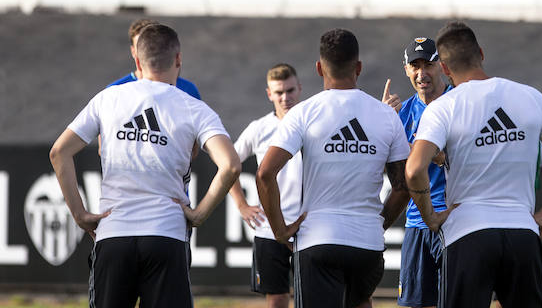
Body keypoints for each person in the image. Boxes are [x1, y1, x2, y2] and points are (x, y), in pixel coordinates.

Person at [49, 24, 241, 308]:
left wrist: (79, 214)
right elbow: (231, 166)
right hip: (166, 234)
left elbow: (59, 152)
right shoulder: (194, 107)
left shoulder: (109, 98)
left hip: (113, 233)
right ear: (178, 59)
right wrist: (199, 214)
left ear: (137, 62)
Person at [406, 21, 542, 308]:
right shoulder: (530, 97)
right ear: (481, 53)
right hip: (522, 235)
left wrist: (432, 218)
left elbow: (414, 171)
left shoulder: (443, 108)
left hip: (467, 236)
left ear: (446, 69)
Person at [256, 28, 411, 308]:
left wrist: (279, 230)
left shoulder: (303, 112)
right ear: (359, 67)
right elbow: (404, 185)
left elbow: (265, 173)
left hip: (318, 240)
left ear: (318, 68)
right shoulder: (386, 115)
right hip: (367, 242)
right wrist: (379, 223)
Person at [228, 64, 303, 308]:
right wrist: (241, 205)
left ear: (299, 88)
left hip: (308, 226)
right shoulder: (259, 128)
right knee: (277, 298)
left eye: (290, 90)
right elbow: (228, 165)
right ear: (269, 94)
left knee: (315, 296)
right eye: (279, 92)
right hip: (269, 229)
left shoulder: (311, 122)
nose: (285, 97)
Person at [395, 37, 451, 308]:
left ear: (440, 65)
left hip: (452, 220)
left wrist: (435, 154)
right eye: (414, 66)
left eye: (428, 64)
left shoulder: (459, 103)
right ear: (405, 69)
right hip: (417, 222)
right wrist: (383, 122)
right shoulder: (402, 113)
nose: (422, 73)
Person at [108, 18, 201, 99]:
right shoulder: (113, 93)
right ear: (133, 51)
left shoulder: (188, 89)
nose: (147, 50)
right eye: (141, 46)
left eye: (152, 45)